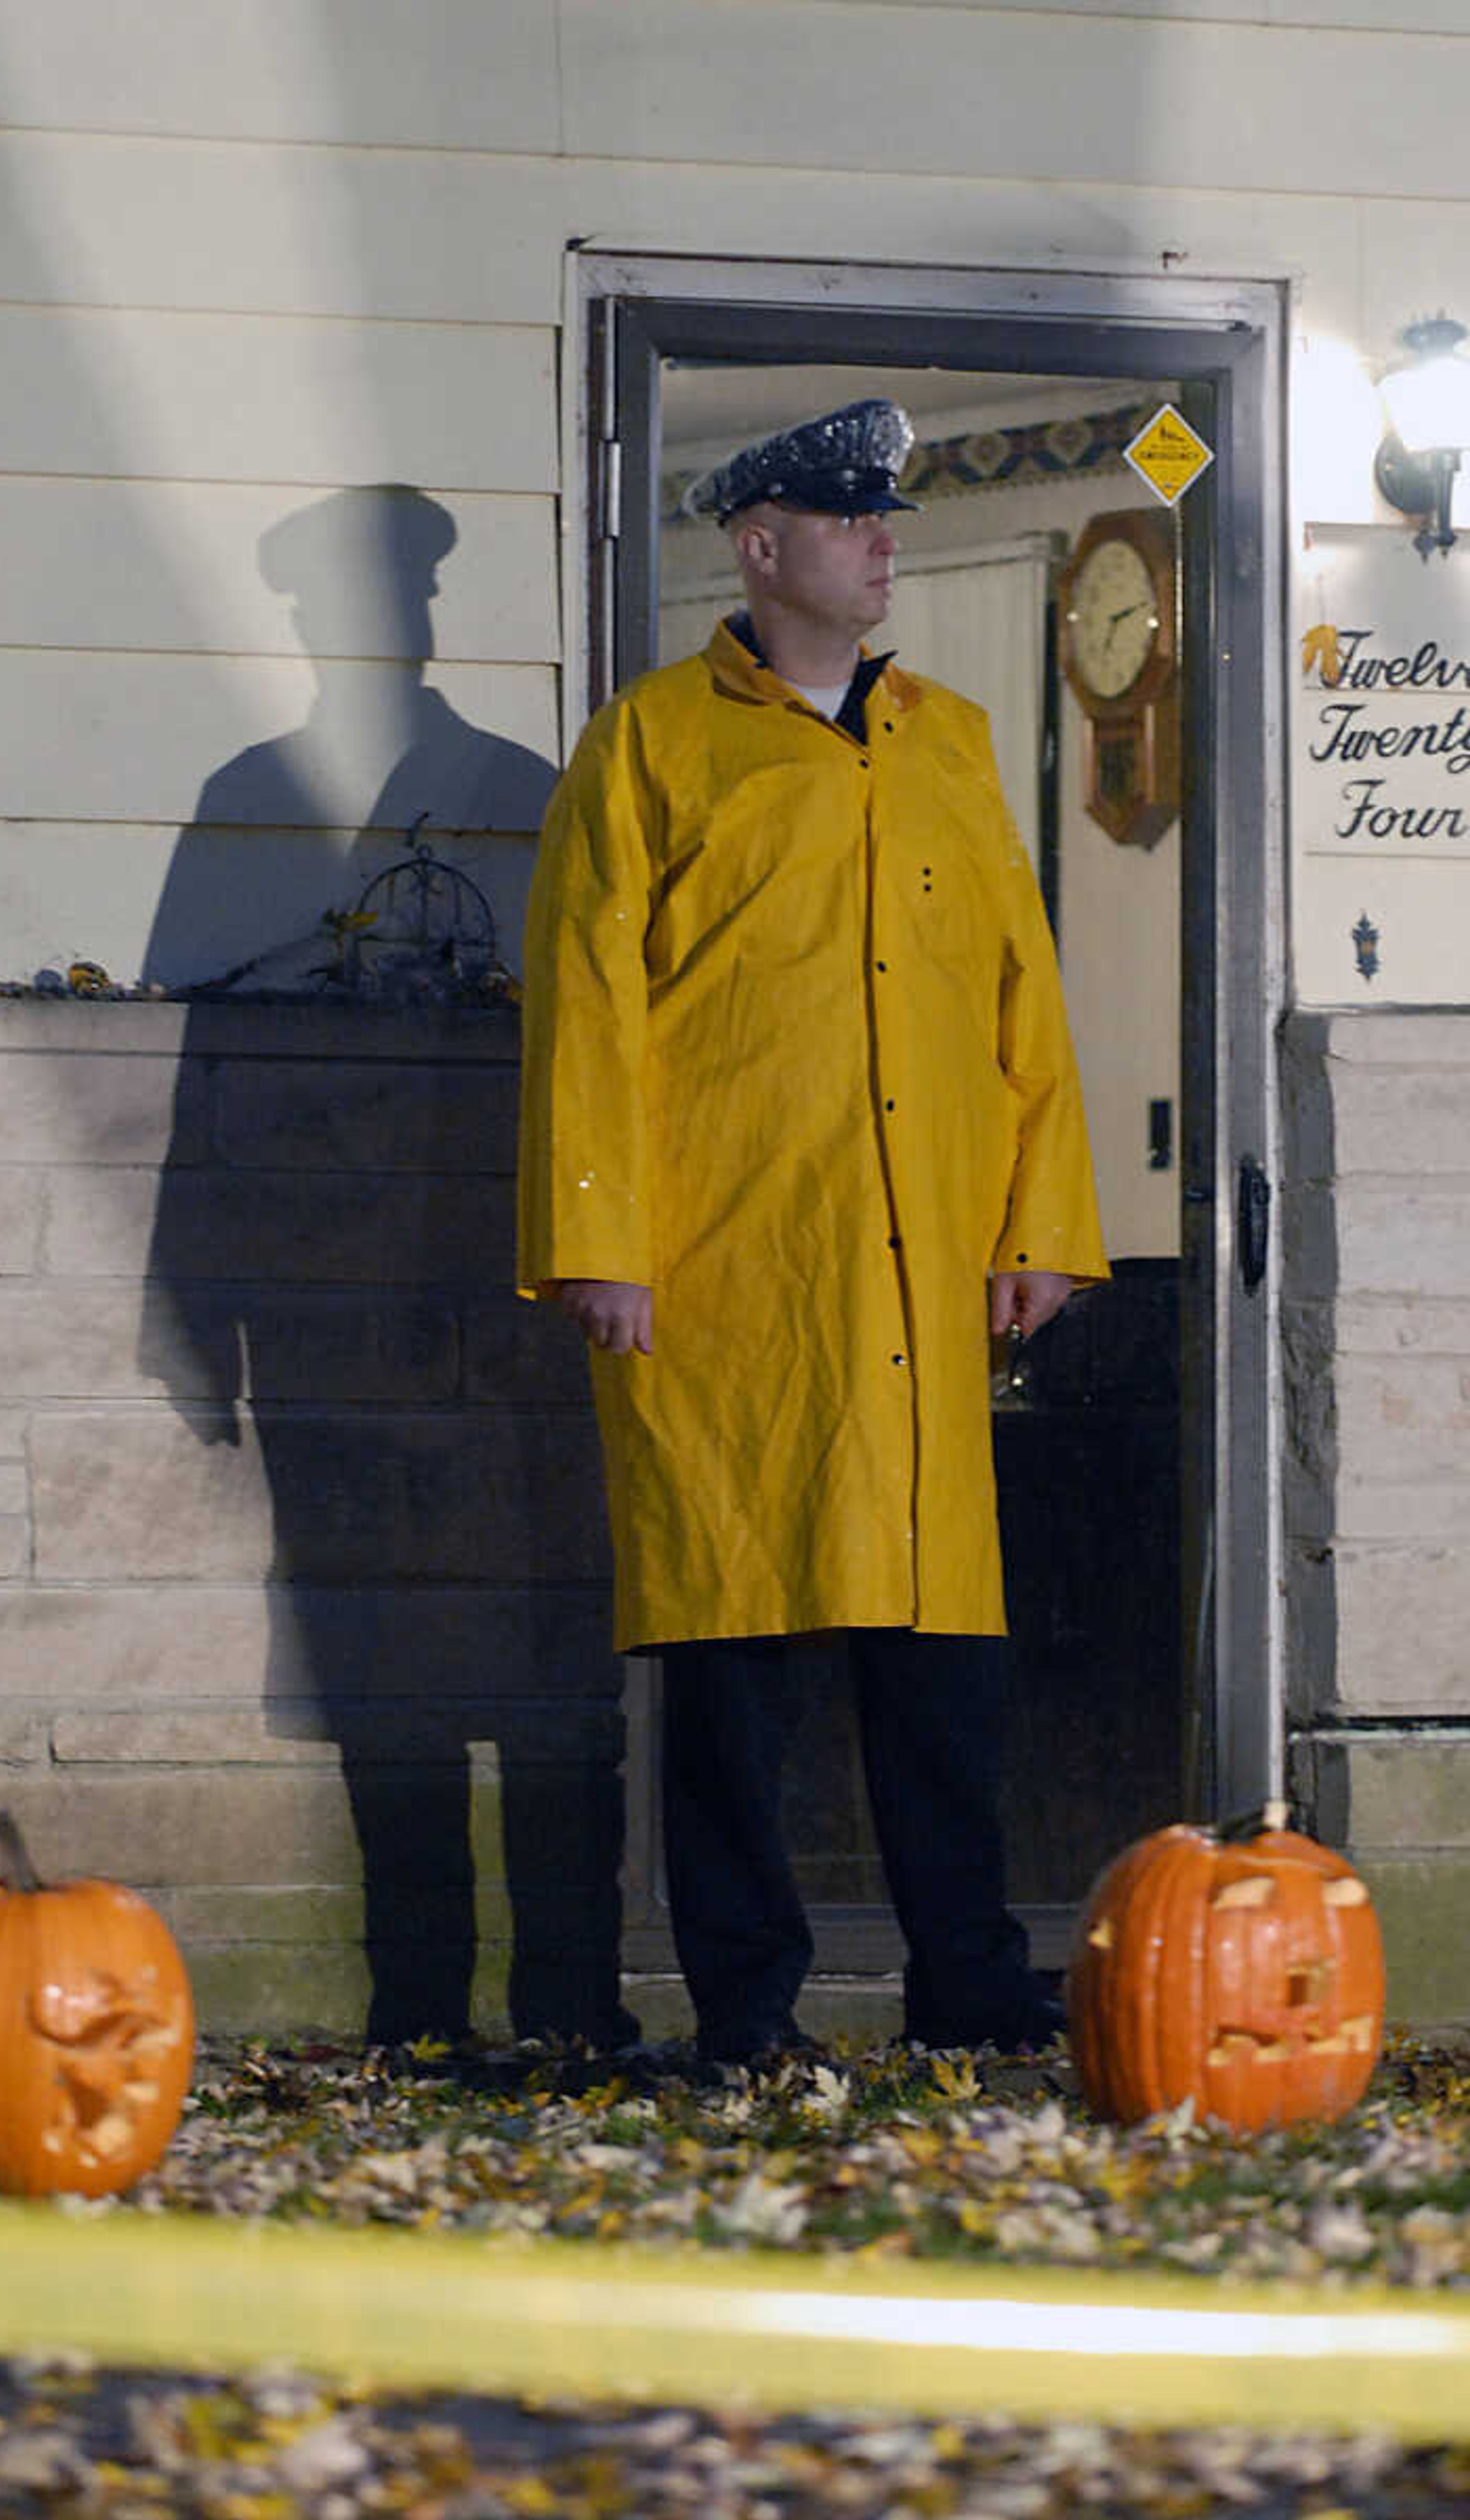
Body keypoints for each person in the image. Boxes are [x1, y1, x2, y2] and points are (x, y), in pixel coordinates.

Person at [517, 397, 1107, 2066]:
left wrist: (1043, 1218)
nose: (882, 541)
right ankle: (748, 2011)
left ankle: (971, 1984)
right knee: (734, 1669)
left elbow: (1024, 1003)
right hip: (730, 1285)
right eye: (849, 519)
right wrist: (598, 1241)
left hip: (923, 1273)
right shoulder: (651, 745)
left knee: (941, 1677)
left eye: (888, 519)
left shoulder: (955, 741)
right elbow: (584, 1011)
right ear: (760, 546)